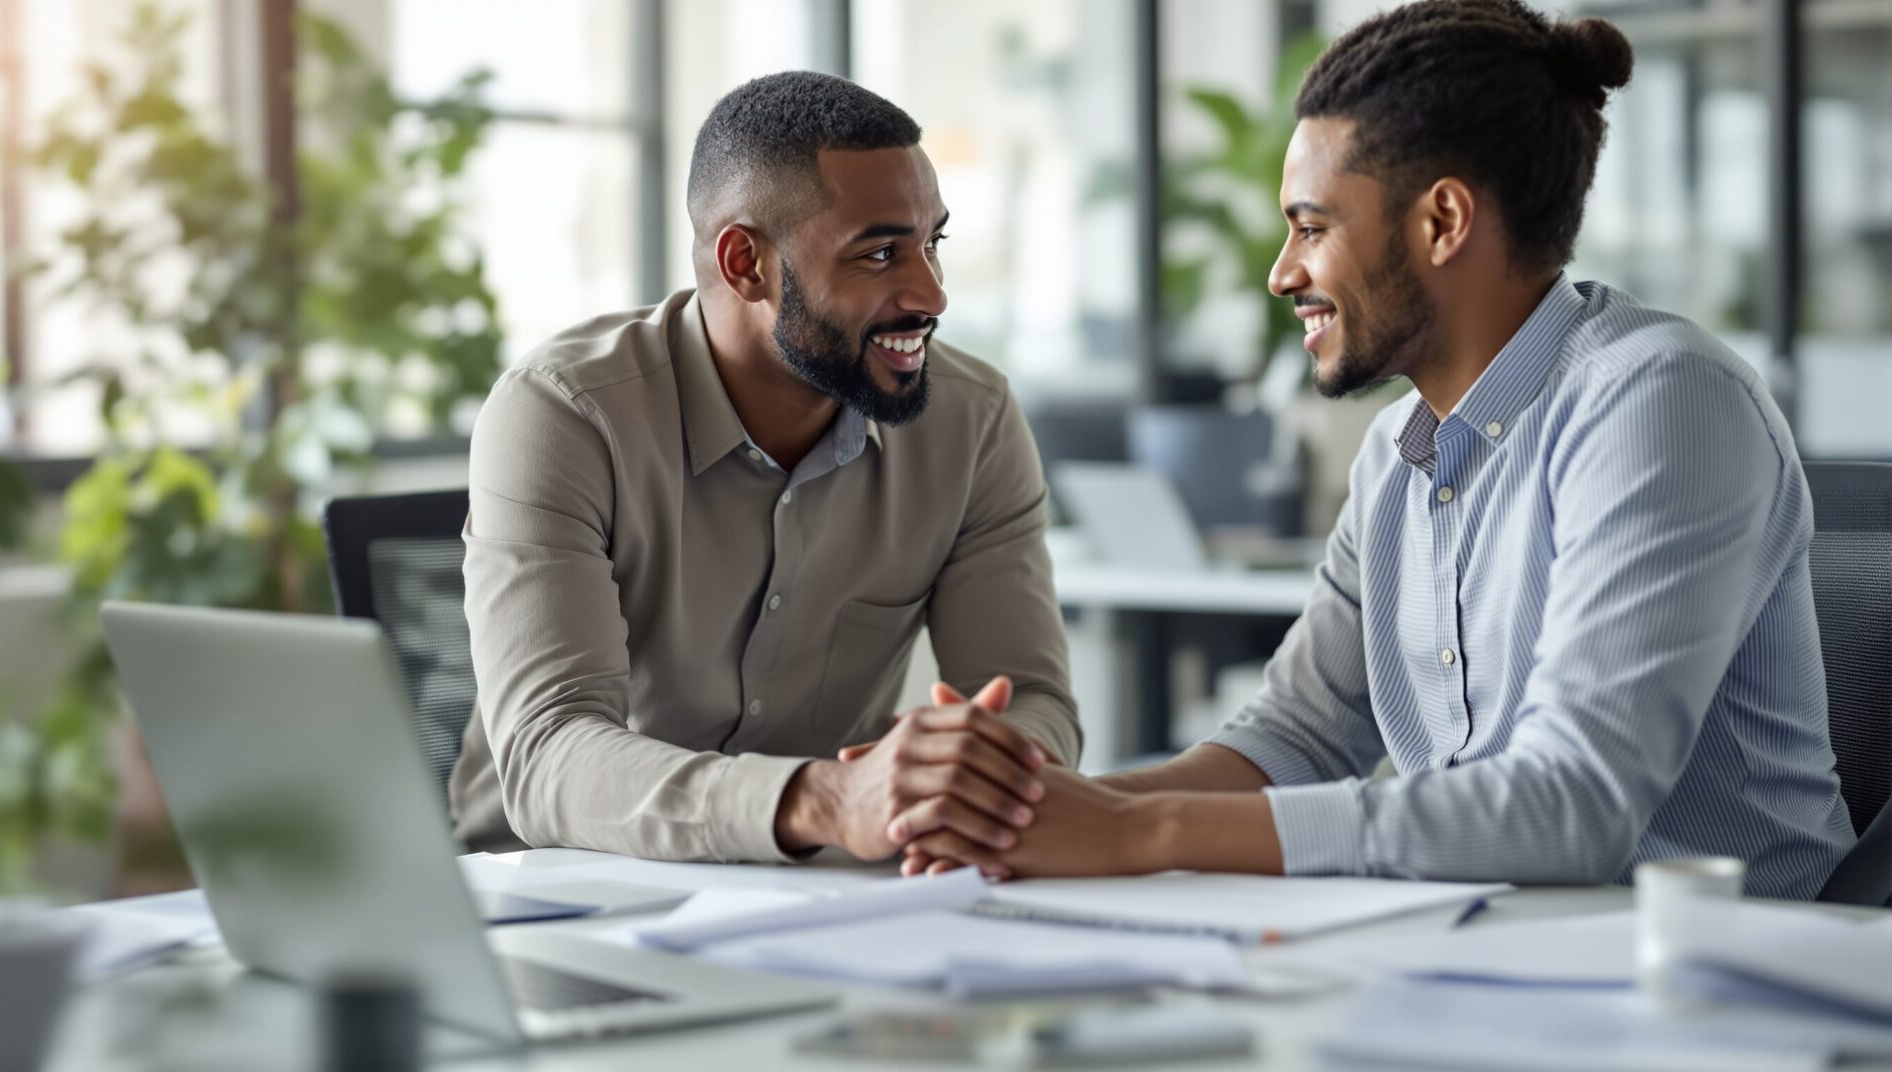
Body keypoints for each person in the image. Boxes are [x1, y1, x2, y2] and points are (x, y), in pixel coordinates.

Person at [898, 0, 1856, 899]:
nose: (1282, 274)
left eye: (1311, 228)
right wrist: (1036, 810)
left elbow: (1574, 806)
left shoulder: (1659, 400)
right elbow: (1297, 737)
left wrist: (1138, 834)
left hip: (1730, 987)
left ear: (1443, 221)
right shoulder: (1399, 451)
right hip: (1499, 962)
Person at [448, 71, 1080, 868]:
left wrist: (989, 780)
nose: (932, 293)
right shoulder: (565, 414)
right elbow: (549, 752)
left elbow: (1028, 695)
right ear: (745, 262)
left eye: (933, 245)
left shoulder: (974, 420)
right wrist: (823, 800)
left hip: (813, 897)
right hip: (547, 898)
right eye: (881, 253)